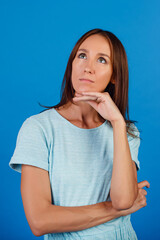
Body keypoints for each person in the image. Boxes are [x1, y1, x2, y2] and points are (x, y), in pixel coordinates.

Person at [9, 28, 150, 239]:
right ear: (72, 64)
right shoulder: (38, 128)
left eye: (102, 60)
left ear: (114, 76)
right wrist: (113, 210)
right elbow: (39, 221)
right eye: (82, 56)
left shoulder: (126, 131)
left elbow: (123, 200)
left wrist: (118, 123)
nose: (88, 68)